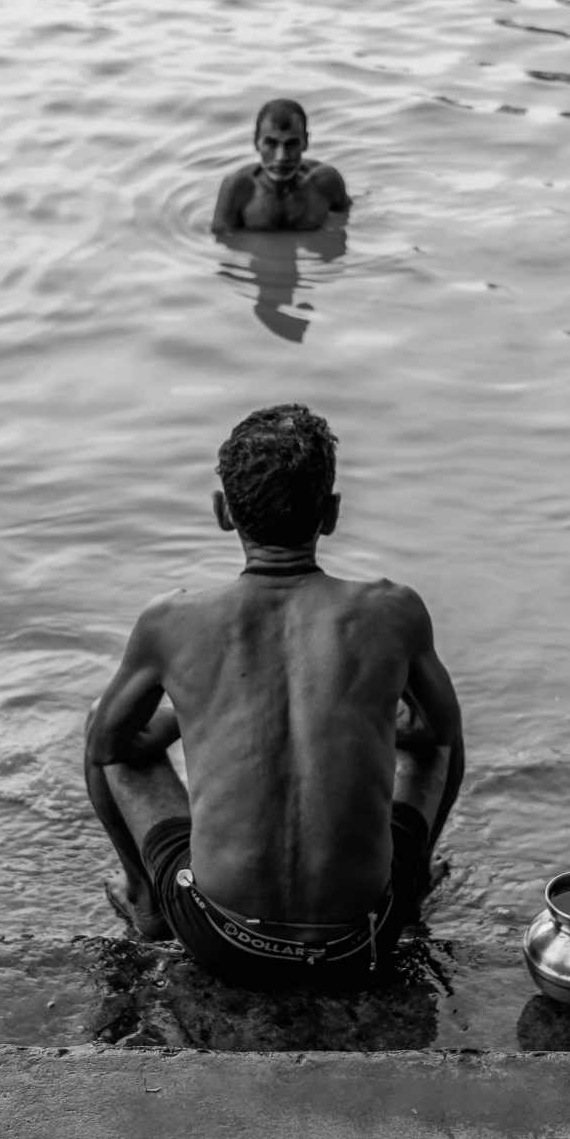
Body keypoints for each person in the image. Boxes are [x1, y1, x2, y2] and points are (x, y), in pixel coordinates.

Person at [84, 404, 464, 988]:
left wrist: (195, 715)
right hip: (363, 937)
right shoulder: (393, 609)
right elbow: (438, 731)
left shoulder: (171, 619)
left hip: (220, 938)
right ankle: (409, 895)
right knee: (438, 729)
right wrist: (368, 720)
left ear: (221, 511)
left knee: (98, 726)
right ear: (331, 514)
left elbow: (111, 745)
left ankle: (148, 902)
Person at [212, 99, 352, 233]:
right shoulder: (238, 189)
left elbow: (347, 219)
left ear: (305, 142)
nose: (281, 157)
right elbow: (222, 243)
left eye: (291, 144)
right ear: (256, 142)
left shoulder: (326, 182)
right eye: (271, 144)